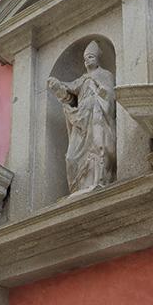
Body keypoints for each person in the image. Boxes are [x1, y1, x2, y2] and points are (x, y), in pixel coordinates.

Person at [48, 41, 117, 195]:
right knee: (71, 157)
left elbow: (110, 96)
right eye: (85, 58)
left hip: (98, 116)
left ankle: (100, 180)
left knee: (100, 146)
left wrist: (101, 93)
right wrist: (58, 85)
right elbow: (70, 87)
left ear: (97, 59)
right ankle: (79, 187)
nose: (87, 61)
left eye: (91, 57)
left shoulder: (105, 75)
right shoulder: (83, 79)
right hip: (82, 118)